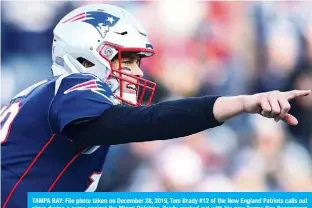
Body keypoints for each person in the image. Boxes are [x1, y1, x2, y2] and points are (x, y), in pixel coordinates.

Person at [1, 3, 311, 207]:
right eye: (129, 61)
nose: (137, 72)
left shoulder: (35, 94)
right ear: (87, 56)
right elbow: (146, 123)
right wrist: (239, 103)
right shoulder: (74, 87)